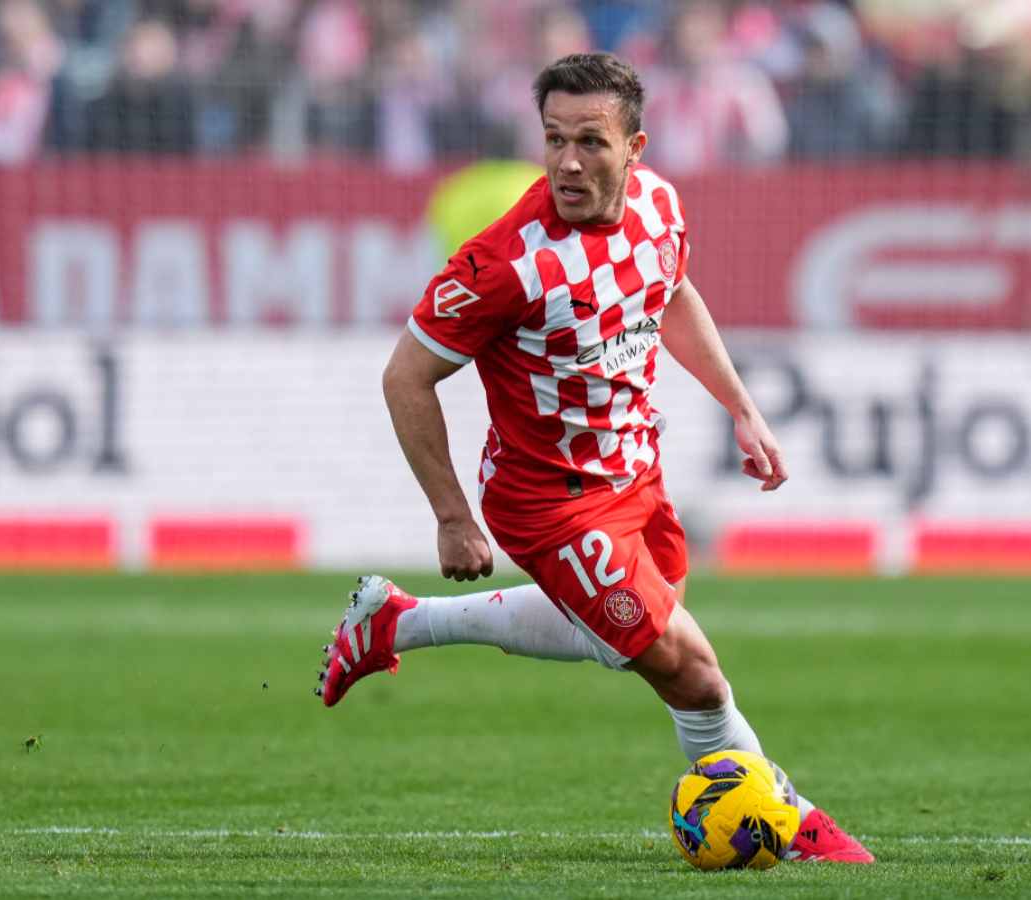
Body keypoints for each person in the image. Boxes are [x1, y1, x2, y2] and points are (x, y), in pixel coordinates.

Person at [316, 52, 873, 864]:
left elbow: (671, 292)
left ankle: (398, 623)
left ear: (635, 148)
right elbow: (406, 375)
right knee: (690, 671)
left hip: (635, 472)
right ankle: (787, 827)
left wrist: (741, 407)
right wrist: (450, 518)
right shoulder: (504, 264)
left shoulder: (658, 206)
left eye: (591, 141)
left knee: (618, 635)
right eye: (553, 140)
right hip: (552, 503)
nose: (569, 162)